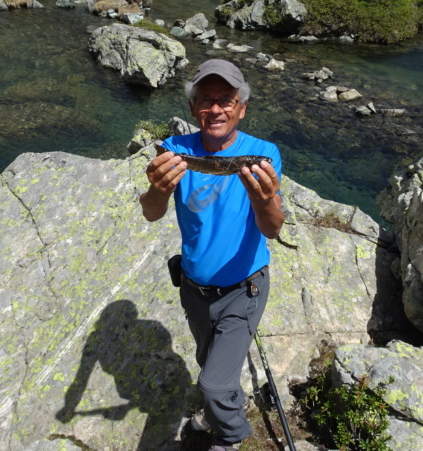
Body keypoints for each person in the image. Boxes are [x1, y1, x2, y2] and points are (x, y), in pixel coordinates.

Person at [139, 59, 284, 451]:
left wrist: (266, 199)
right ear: (192, 108)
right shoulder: (173, 150)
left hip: (244, 288)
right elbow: (152, 213)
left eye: (226, 99)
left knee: (214, 381)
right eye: (206, 99)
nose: (215, 108)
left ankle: (230, 437)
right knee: (210, 363)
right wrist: (158, 189)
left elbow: (272, 228)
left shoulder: (263, 154)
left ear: (242, 107)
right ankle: (215, 409)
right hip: (194, 288)